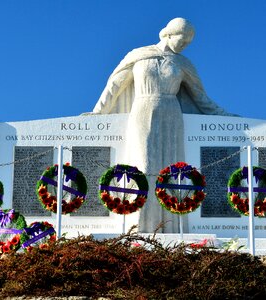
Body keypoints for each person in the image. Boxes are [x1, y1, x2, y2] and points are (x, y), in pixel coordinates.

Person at [92, 18, 231, 233]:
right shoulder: (139, 55)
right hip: (143, 111)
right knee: (144, 165)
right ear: (168, 34)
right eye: (182, 39)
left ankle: (170, 227)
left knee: (171, 171)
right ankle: (139, 227)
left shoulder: (183, 64)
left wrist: (225, 115)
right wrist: (97, 113)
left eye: (188, 42)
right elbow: (115, 85)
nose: (184, 44)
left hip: (171, 115)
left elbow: (201, 98)